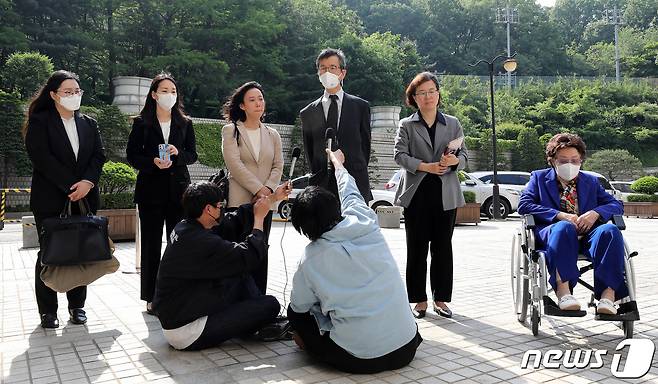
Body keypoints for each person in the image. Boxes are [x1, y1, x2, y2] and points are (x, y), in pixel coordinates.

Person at [287, 149, 422, 374]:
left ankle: (311, 343)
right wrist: (337, 163)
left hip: (359, 358)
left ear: (304, 228)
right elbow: (349, 190)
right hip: (407, 345)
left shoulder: (310, 258)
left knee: (296, 315)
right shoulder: (364, 219)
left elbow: (298, 308)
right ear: (335, 207)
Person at [152, 180, 291, 350]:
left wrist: (272, 198)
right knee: (270, 305)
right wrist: (259, 219)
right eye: (219, 205)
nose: (222, 210)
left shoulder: (186, 226)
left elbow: (231, 221)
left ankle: (254, 317)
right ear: (208, 209)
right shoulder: (201, 241)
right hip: (188, 331)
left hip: (181, 311)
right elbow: (249, 255)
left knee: (240, 275)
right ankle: (257, 317)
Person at [23, 70, 106, 328]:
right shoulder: (41, 121)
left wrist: (88, 183)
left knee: (80, 251)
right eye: (67, 92)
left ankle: (77, 306)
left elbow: (98, 157)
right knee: (49, 252)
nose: (73, 96)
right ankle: (48, 310)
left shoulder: (89, 123)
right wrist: (72, 185)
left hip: (84, 198)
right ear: (53, 95)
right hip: (50, 198)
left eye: (77, 91)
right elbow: (41, 158)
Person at [518, 133, 626, 315]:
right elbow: (524, 204)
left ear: (581, 160)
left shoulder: (590, 181)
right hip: (555, 233)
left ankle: (608, 296)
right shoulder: (538, 178)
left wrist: (595, 213)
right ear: (552, 161)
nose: (570, 165)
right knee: (564, 227)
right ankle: (563, 291)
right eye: (563, 160)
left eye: (575, 160)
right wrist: (560, 215)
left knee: (610, 230)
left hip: (587, 235)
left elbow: (616, 205)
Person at [393, 72, 468, 319]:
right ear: (413, 98)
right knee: (416, 249)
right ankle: (419, 301)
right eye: (422, 92)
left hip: (445, 193)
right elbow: (399, 155)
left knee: (443, 248)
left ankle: (441, 299)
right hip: (416, 193)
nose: (428, 96)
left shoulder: (453, 123)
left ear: (438, 94)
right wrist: (426, 166)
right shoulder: (407, 124)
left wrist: (455, 160)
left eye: (432, 91)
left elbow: (465, 157)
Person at [126, 73, 197, 314]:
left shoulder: (185, 123)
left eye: (173, 91)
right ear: (154, 94)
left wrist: (178, 154)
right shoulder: (141, 123)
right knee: (151, 245)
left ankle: (177, 293)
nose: (170, 95)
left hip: (179, 191)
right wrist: (152, 162)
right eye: (165, 91)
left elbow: (192, 155)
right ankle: (150, 296)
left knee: (178, 244)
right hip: (150, 192)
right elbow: (132, 156)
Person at [221, 81, 283, 294]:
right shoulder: (231, 130)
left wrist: (267, 190)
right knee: (237, 251)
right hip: (238, 201)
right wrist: (259, 189)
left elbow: (278, 165)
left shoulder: (272, 134)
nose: (258, 103)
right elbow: (234, 165)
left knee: (260, 252)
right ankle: (235, 301)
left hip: (264, 204)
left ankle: (259, 299)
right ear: (242, 106)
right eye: (252, 99)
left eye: (261, 98)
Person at [299, 48, 372, 202]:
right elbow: (309, 152)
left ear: (342, 73)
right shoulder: (308, 113)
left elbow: (365, 147)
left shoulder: (361, 107)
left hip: (355, 183)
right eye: (323, 68)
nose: (327, 72)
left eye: (332, 67)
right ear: (318, 74)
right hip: (321, 186)